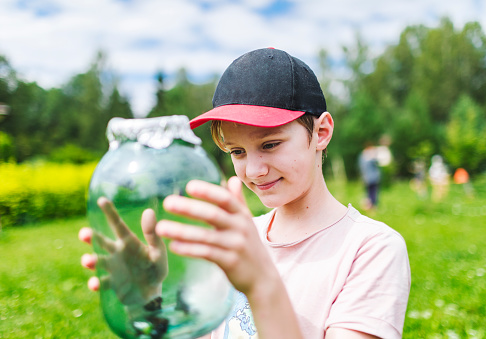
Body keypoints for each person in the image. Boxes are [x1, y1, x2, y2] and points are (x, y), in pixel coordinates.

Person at [80, 48, 411, 339]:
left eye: (270, 144)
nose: (253, 170)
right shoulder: (237, 237)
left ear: (321, 132)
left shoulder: (369, 249)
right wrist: (152, 302)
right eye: (237, 151)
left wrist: (261, 284)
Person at [358, 142, 381, 210]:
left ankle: (368, 206)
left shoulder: (361, 156)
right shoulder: (370, 157)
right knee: (373, 193)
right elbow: (377, 162)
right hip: (373, 178)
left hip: (366, 178)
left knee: (368, 193)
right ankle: (372, 207)